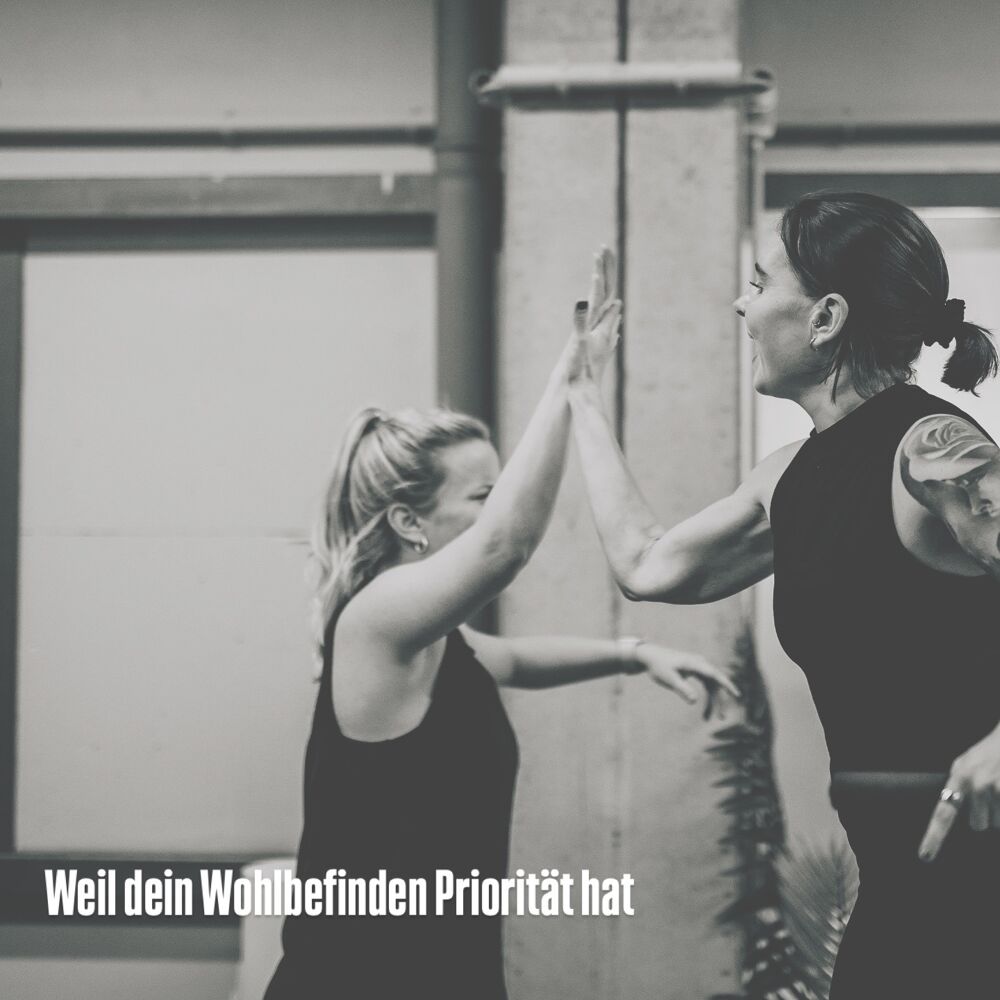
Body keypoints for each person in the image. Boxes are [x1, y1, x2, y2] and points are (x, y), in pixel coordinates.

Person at [263, 250, 739, 1000]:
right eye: (483, 494)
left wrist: (632, 653)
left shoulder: (435, 644)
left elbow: (511, 659)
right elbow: (504, 546)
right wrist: (570, 388)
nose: (499, 506)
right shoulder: (374, 621)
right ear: (408, 522)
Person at [566, 192, 1000, 999]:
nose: (743, 304)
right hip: (901, 888)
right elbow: (648, 566)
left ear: (827, 317)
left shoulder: (933, 449)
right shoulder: (790, 480)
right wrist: (582, 400)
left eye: (761, 284)